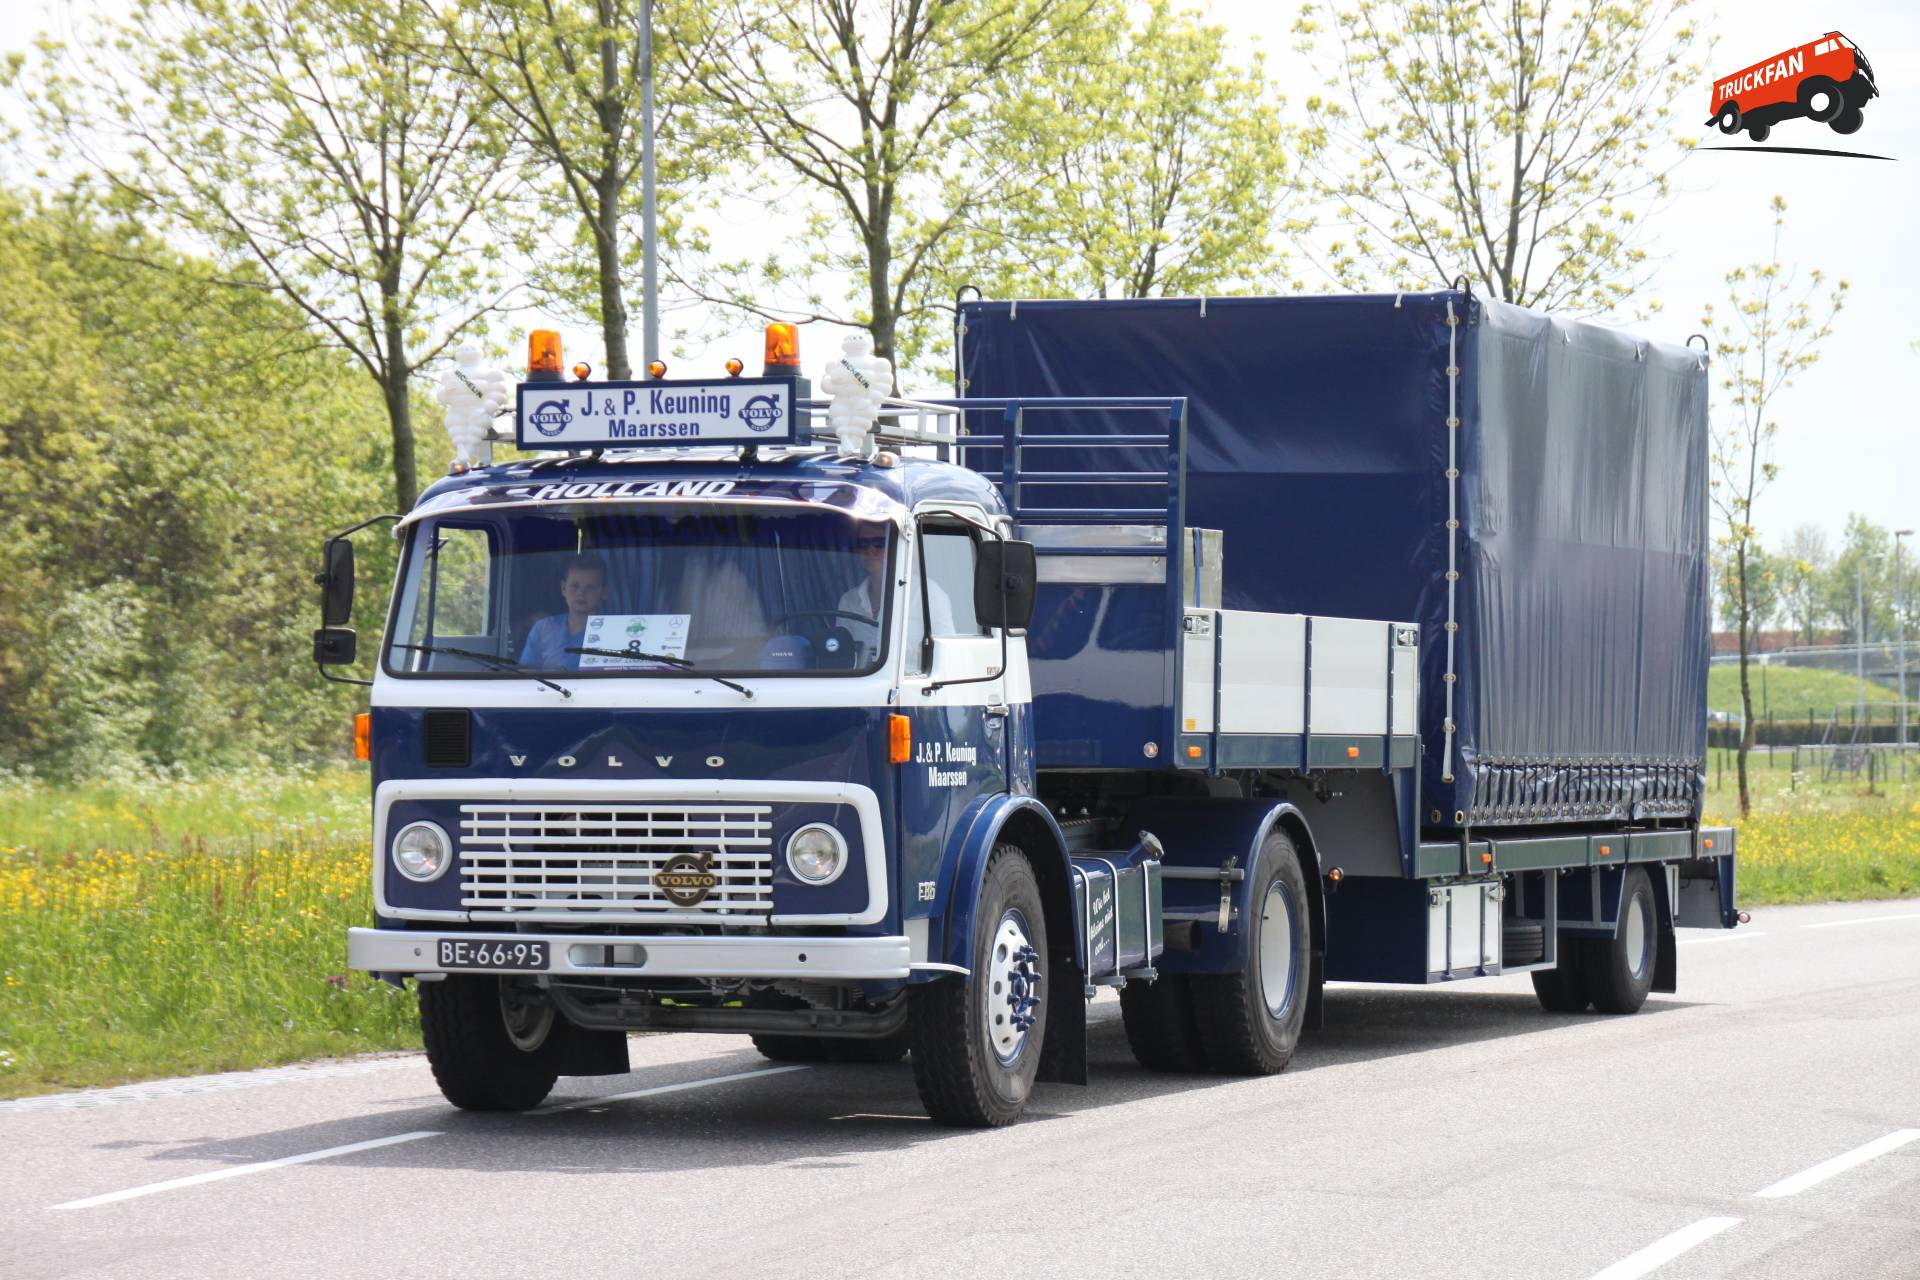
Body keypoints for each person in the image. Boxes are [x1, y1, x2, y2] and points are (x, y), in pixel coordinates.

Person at [519, 555, 608, 670]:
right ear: (563, 588)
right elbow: (525, 674)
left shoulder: (612, 632)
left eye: (590, 587)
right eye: (575, 586)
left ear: (604, 592)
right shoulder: (542, 629)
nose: (581, 593)